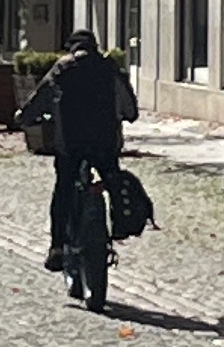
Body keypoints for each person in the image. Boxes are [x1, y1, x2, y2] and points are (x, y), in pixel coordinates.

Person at [18, 29, 138, 294]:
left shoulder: (63, 68)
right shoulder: (109, 67)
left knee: (64, 189)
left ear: (72, 48)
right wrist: (125, 115)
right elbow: (130, 108)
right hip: (105, 144)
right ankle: (120, 222)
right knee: (112, 179)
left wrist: (25, 117)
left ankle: (57, 247)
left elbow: (41, 98)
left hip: (70, 145)